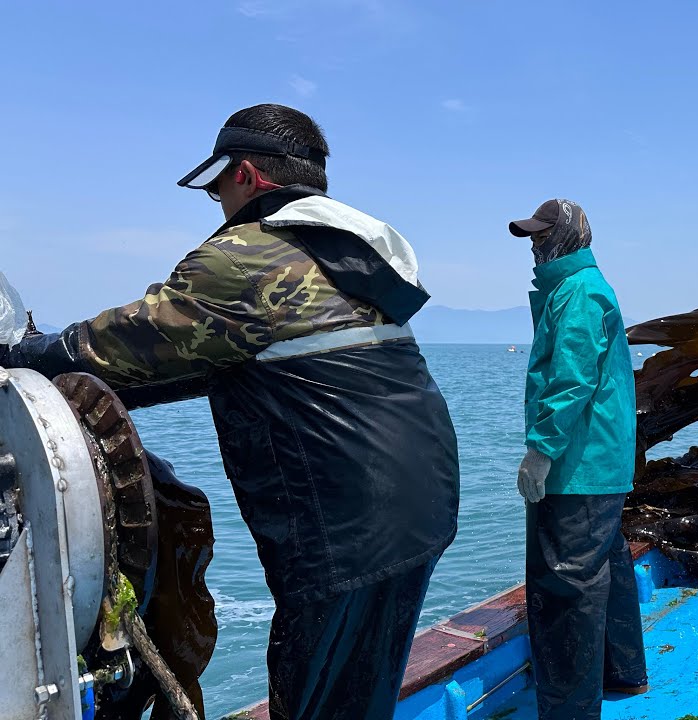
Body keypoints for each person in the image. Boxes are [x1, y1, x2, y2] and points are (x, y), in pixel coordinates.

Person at [0, 104, 460, 719]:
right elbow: (229, 365)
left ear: (245, 175)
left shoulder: (244, 256)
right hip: (422, 508)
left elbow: (117, 345)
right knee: (362, 689)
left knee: (313, 700)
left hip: (343, 531)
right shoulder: (347, 257)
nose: (217, 202)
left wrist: (20, 356)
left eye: (217, 187)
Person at [508, 199, 648, 720]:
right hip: (599, 463)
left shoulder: (578, 291)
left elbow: (571, 378)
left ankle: (570, 710)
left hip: (579, 465)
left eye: (541, 237)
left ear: (566, 238)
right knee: (605, 566)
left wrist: (540, 451)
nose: (534, 246)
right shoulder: (578, 289)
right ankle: (623, 674)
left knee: (566, 584)